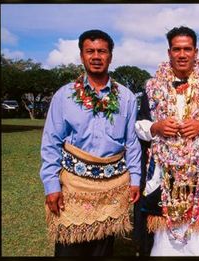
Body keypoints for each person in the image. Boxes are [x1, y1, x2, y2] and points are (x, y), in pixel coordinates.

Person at [39, 29, 141, 256]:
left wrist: (135, 179)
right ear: (82, 55)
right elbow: (51, 142)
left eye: (102, 51)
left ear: (110, 56)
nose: (96, 56)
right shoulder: (63, 96)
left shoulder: (127, 98)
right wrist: (51, 185)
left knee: (102, 250)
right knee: (68, 250)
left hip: (111, 189)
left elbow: (131, 142)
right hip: (73, 189)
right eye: (90, 51)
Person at [134, 26, 199, 256]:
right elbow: (140, 125)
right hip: (162, 173)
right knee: (160, 239)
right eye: (176, 49)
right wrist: (156, 127)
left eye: (187, 49)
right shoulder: (152, 87)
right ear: (169, 52)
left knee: (197, 241)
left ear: (196, 51)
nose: (182, 54)